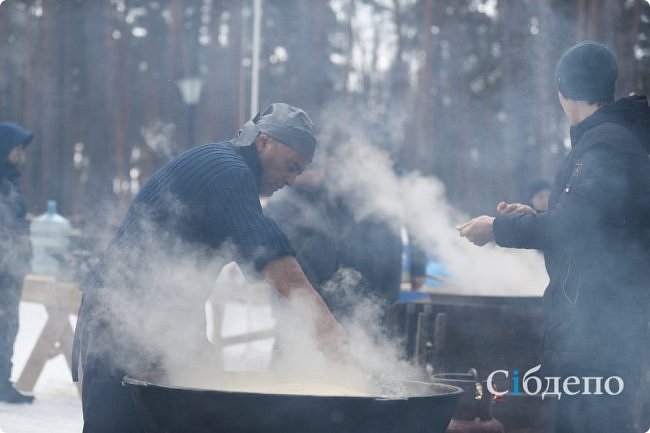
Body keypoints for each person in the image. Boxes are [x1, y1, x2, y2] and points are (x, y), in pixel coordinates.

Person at [72, 103, 348, 433]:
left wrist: (296, 339)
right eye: (291, 166)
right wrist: (324, 327)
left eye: (298, 172)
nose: (291, 180)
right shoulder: (227, 171)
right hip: (123, 321)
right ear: (263, 142)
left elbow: (260, 265)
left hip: (164, 324)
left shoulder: (225, 167)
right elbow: (269, 253)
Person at [457, 41, 650, 433]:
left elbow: (576, 228)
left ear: (562, 90)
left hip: (598, 338)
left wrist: (496, 228)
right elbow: (594, 223)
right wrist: (539, 217)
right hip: (601, 330)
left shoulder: (606, 144)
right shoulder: (609, 139)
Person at [0, 122, 34, 404]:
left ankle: (2, 382)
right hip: (3, 268)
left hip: (12, 270)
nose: (22, 153)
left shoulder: (11, 180)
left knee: (9, 326)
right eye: (17, 146)